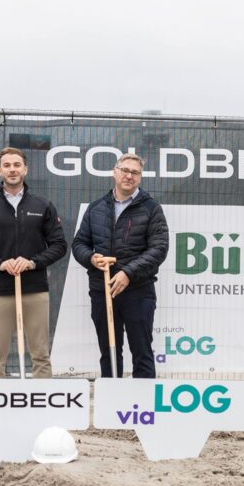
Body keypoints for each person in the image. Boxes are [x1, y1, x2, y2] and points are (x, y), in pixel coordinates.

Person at [0, 147, 67, 379]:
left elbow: (59, 245)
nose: (12, 170)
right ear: (0, 171)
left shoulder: (42, 206)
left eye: (17, 165)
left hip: (35, 290)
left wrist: (32, 262)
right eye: (7, 165)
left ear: (25, 169)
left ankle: (43, 400)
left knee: (41, 355)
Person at [72, 153, 169, 378]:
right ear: (115, 173)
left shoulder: (151, 209)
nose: (129, 176)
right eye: (125, 170)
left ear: (140, 177)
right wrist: (91, 258)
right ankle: (111, 397)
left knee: (142, 352)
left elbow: (159, 248)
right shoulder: (95, 208)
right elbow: (79, 243)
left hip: (138, 290)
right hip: (102, 290)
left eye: (135, 172)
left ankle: (143, 400)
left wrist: (128, 273)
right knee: (109, 352)